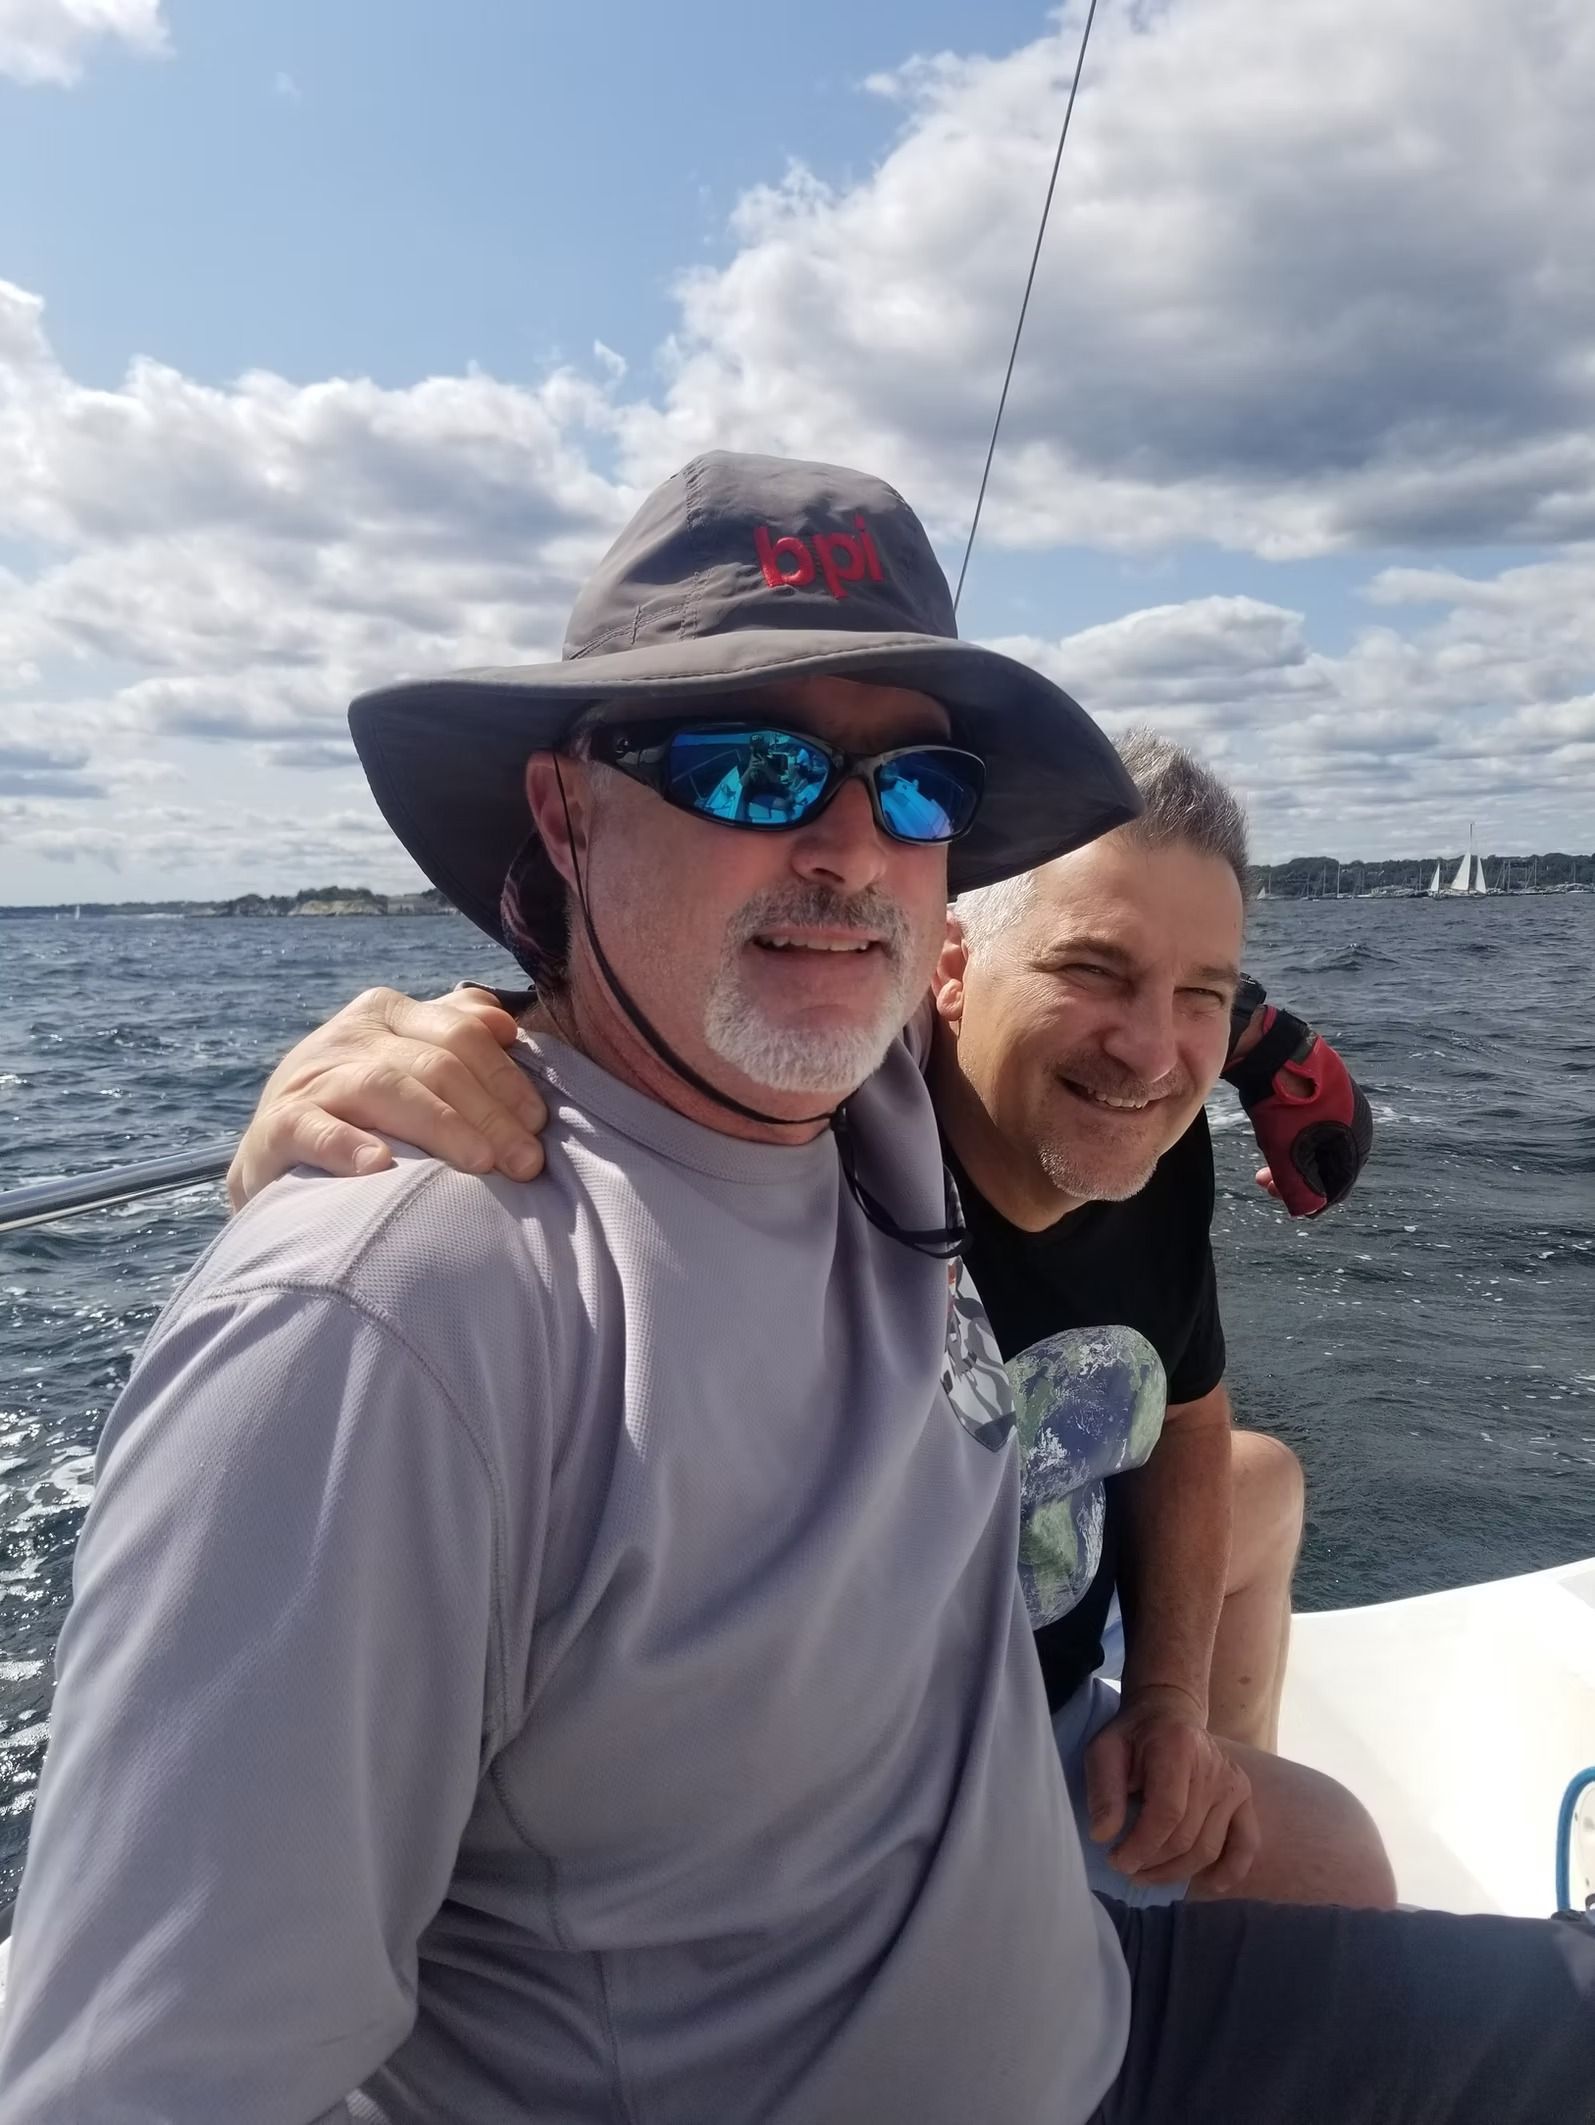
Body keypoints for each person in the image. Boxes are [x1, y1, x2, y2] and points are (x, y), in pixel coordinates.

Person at [2, 452, 1590, 2125]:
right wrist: (321, 1180)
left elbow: (1074, 1027)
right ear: (567, 808)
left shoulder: (865, 1109)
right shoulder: (394, 1322)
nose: (849, 845)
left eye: (918, 788)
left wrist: (1263, 1050)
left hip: (1084, 2003)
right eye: (756, 768)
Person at [230, 734, 1389, 1910]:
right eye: (1089, 968)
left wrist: (1167, 1714)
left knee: (1267, 1513)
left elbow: (1187, 1415)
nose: (1149, 1050)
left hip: (1048, 1703)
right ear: (945, 969)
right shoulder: (818, 1119)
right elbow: (643, 1059)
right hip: (863, 1800)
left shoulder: (1164, 1145)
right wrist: (349, 1104)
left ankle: (1191, 1848)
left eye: (1201, 995)